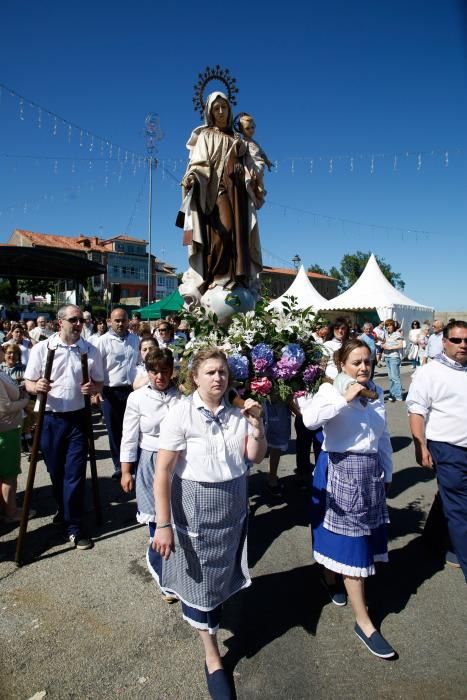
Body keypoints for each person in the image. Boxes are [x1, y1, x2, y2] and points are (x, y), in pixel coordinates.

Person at [152, 349, 266, 698]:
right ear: (195, 377)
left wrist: (257, 424)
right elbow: (163, 470)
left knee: (220, 576)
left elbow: (254, 457)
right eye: (211, 372)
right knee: (199, 581)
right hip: (194, 507)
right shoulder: (180, 413)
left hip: (232, 506)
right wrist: (163, 524)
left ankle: (214, 618)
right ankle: (213, 656)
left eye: (223, 372)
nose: (219, 378)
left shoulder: (238, 413)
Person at [298, 339, 395, 659]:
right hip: (339, 469)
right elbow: (310, 420)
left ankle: (329, 576)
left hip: (370, 473)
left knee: (361, 539)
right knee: (350, 543)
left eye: (368, 361)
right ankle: (363, 621)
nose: (364, 367)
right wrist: (343, 398)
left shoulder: (377, 393)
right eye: (356, 362)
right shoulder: (329, 390)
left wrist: (389, 473)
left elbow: (382, 437)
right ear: (342, 365)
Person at [24, 304, 104, 549]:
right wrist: (36, 387)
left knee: (75, 473)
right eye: (74, 320)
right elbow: (28, 382)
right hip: (50, 419)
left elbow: (99, 383)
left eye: (81, 320)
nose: (79, 324)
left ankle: (75, 526)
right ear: (60, 323)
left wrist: (94, 390)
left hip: (78, 418)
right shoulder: (42, 349)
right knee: (55, 471)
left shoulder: (90, 350)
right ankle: (64, 507)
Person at [179, 91, 262, 303]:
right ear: (210, 112)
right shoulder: (205, 136)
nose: (221, 112)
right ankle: (217, 276)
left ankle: (236, 277)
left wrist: (248, 172)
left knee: (237, 234)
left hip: (238, 194)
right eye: (217, 109)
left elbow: (251, 164)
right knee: (222, 231)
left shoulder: (236, 138)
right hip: (214, 192)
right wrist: (192, 178)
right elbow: (198, 164)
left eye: (224, 107)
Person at [406, 320, 467, 580]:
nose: (463, 345)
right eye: (456, 340)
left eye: (466, 340)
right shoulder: (430, 372)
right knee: (461, 508)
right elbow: (417, 410)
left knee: (451, 498)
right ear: (444, 342)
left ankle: (432, 540)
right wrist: (420, 445)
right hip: (447, 448)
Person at [120, 349, 181, 591]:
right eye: (154, 371)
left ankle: (179, 569)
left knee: (179, 517)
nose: (159, 377)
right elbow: (129, 436)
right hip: (151, 461)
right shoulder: (136, 398)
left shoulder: (182, 396)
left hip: (179, 461)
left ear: (171, 372)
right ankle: (163, 574)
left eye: (164, 371)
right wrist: (126, 471)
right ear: (147, 372)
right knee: (157, 520)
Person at [96, 308, 140, 480]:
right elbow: (96, 367)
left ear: (128, 321)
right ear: (110, 321)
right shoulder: (103, 341)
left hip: (132, 390)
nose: (120, 324)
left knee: (132, 430)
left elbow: (139, 363)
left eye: (123, 320)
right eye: (117, 321)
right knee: (114, 431)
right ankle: (118, 465)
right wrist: (97, 391)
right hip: (110, 391)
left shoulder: (135, 339)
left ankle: (133, 464)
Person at [0, 346, 31, 523]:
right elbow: (4, 408)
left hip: (8, 428)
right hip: (6, 430)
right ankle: (11, 512)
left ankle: (6, 509)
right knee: (9, 474)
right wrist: (24, 400)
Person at [235, 112, 272, 210]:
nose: (251, 130)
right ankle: (256, 192)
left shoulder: (255, 143)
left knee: (260, 184)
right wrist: (238, 141)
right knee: (253, 181)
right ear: (241, 129)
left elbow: (262, 153)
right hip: (252, 166)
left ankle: (259, 194)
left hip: (260, 165)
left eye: (253, 127)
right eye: (247, 128)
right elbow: (240, 152)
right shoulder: (244, 141)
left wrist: (267, 162)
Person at [382, 320, 404, 401]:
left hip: (394, 357)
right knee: (390, 377)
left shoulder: (397, 334)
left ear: (393, 326)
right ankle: (392, 394)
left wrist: (390, 348)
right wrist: (383, 345)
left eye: (390, 325)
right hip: (387, 356)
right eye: (387, 325)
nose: (388, 327)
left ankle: (398, 395)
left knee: (395, 377)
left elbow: (401, 345)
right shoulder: (387, 334)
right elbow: (386, 343)